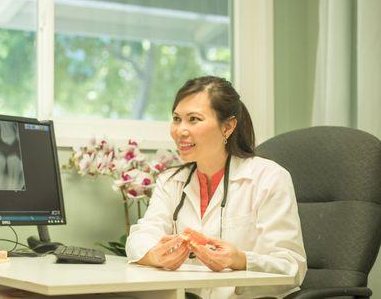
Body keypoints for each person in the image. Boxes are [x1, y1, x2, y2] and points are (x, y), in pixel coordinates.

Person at [126, 76, 306, 298]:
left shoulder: (268, 178)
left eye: (193, 119)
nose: (180, 130)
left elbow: (291, 266)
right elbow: (141, 236)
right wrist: (154, 254)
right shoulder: (171, 181)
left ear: (228, 126)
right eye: (176, 119)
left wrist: (239, 260)